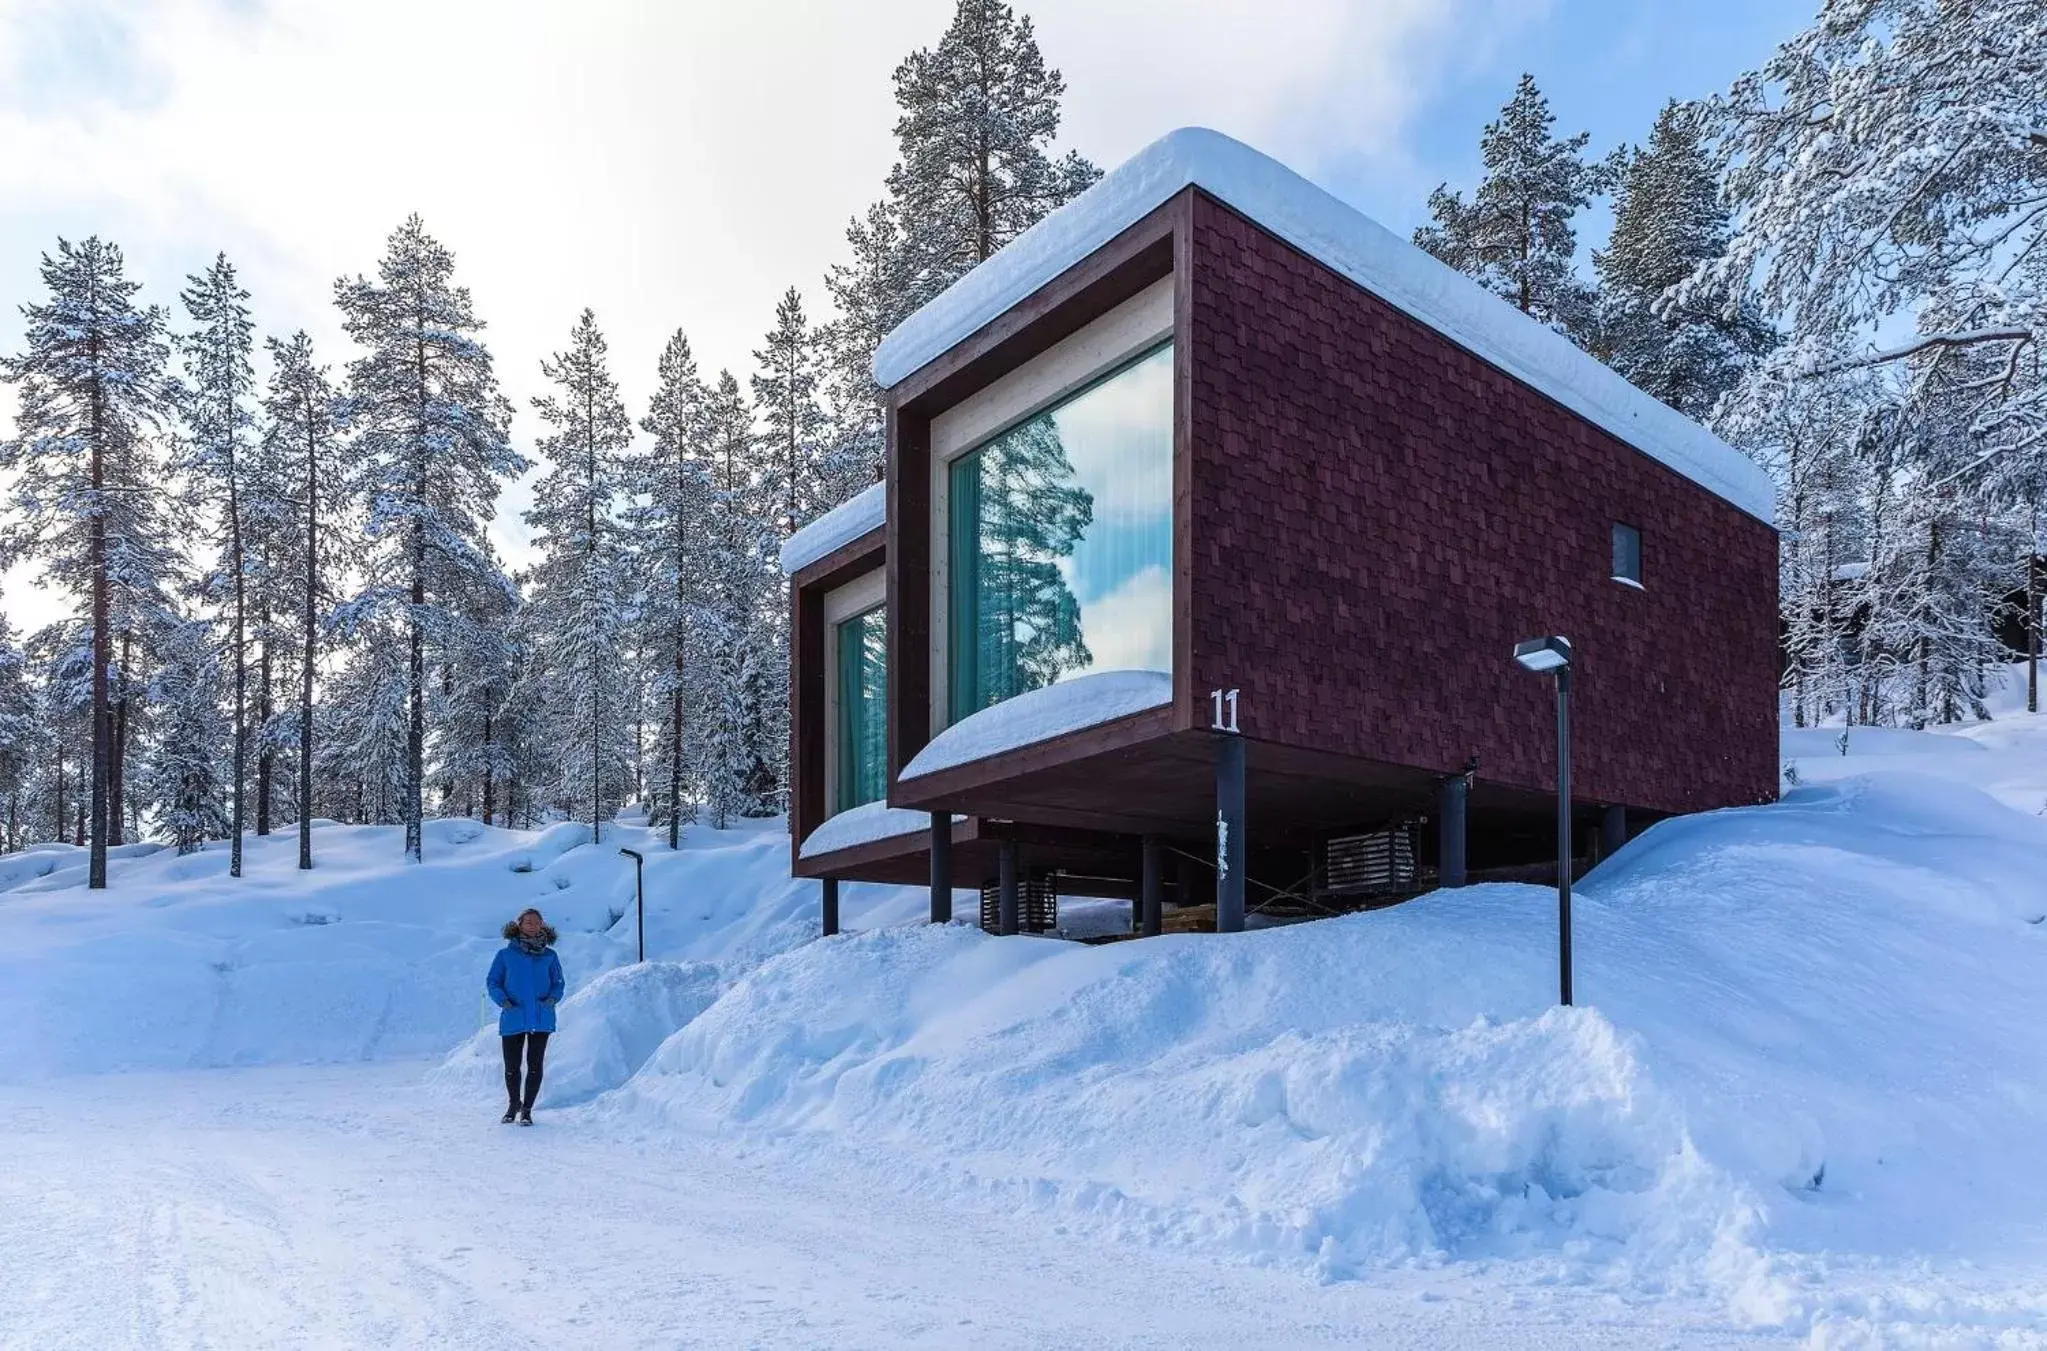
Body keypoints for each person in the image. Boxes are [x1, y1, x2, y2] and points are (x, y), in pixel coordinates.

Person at [486, 907, 565, 1126]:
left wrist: (552, 999)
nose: (532, 926)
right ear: (519, 925)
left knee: (535, 1065)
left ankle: (527, 1110)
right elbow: (493, 981)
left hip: (541, 1017)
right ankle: (513, 1104)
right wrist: (503, 1001)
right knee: (512, 1065)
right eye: (528, 922)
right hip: (513, 1015)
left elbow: (558, 982)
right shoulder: (505, 955)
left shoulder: (550, 956)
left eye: (536, 922)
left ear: (543, 925)